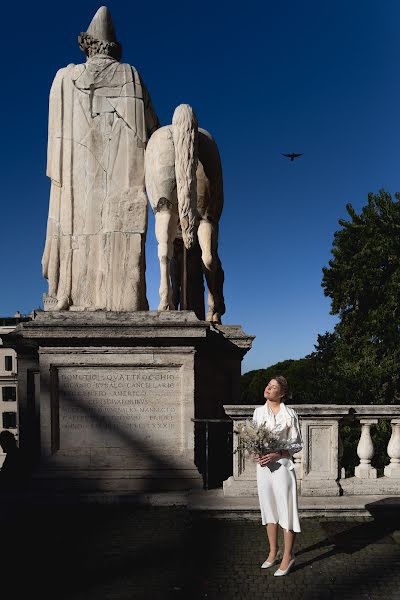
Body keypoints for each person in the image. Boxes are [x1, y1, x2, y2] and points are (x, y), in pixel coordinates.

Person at [42, 6, 159, 312]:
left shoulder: (65, 79)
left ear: (87, 45)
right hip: (123, 182)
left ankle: (73, 293)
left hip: (76, 181)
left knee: (81, 228)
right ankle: (126, 299)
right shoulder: (130, 74)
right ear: (114, 47)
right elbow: (154, 130)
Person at [253, 376, 303, 576]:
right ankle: (273, 552)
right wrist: (255, 451)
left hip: (282, 468)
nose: (268, 388)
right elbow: (254, 438)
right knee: (269, 510)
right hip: (263, 469)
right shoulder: (258, 412)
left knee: (286, 511)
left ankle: (288, 556)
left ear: (282, 393)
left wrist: (279, 453)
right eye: (268, 385)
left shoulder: (290, 414)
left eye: (273, 387)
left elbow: (297, 444)